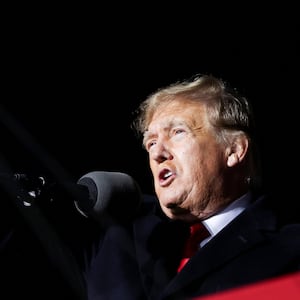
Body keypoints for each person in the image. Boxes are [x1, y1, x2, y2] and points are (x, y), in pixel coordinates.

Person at [77, 73, 300, 299]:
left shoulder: (290, 250)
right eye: (151, 142)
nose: (157, 153)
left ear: (233, 150)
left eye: (177, 132)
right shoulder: (122, 235)